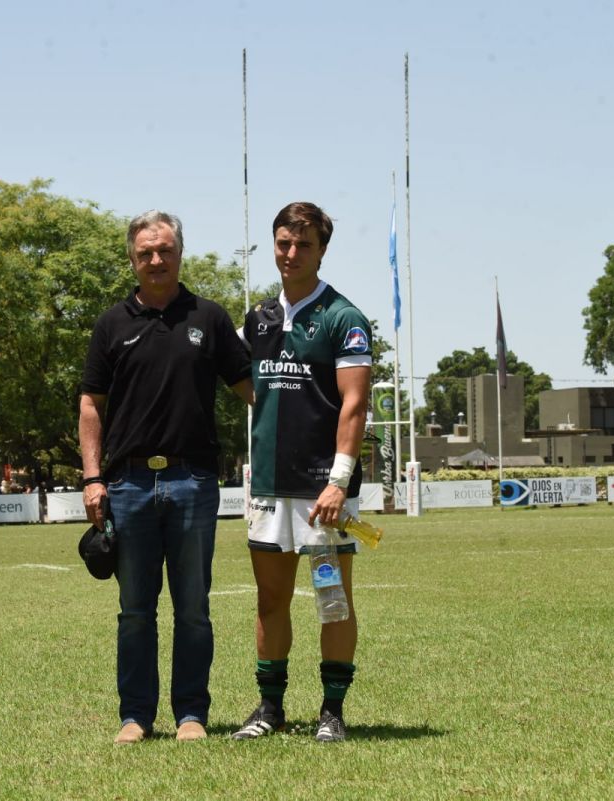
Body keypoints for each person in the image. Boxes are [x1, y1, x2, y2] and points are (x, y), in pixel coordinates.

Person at [79, 210, 253, 744]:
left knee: (193, 609)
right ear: (132, 259)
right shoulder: (111, 323)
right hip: (128, 486)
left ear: (180, 253)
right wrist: (92, 478)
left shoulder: (210, 317)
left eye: (165, 250)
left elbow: (251, 389)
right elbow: (91, 405)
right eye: (145, 253)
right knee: (135, 611)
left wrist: (307, 408)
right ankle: (135, 717)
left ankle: (191, 714)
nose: (156, 260)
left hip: (193, 482)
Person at [232, 202, 373, 743]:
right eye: (284, 243)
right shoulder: (259, 319)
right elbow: (242, 381)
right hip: (269, 486)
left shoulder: (343, 318)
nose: (291, 254)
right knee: (270, 601)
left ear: (322, 250)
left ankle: (332, 711)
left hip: (321, 493)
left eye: (304, 245)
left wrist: (338, 481)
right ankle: (270, 708)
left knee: (331, 601)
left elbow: (354, 406)